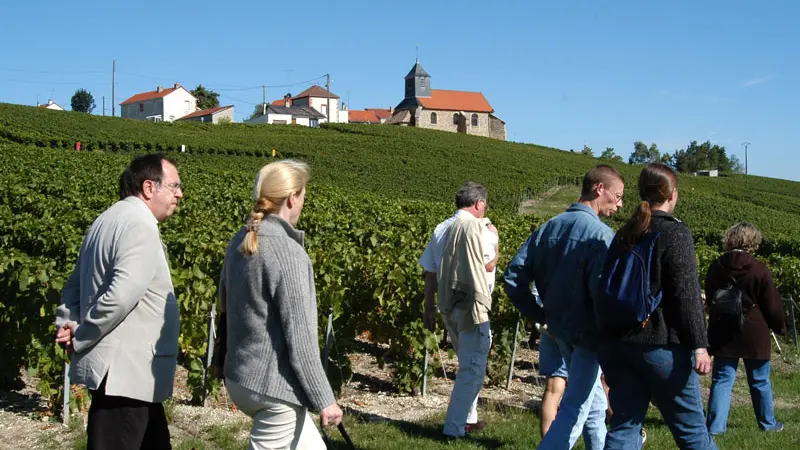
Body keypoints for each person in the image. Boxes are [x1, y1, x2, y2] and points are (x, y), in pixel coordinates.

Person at [55, 153, 183, 449]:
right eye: (174, 186)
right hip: (127, 376)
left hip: (127, 377)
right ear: (149, 188)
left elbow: (74, 284)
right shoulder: (139, 224)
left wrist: (66, 322)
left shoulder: (105, 220)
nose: (179, 194)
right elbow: (121, 296)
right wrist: (80, 335)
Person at [211, 160, 342, 449]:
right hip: (273, 390)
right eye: (304, 195)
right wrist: (325, 400)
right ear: (292, 198)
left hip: (240, 377)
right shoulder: (288, 253)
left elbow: (224, 307)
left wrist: (219, 362)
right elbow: (301, 339)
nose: (304, 202)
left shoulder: (241, 239)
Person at [505, 164, 625, 450]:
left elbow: (513, 277)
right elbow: (605, 294)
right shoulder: (601, 236)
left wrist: (538, 313)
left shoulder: (548, 228)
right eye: (618, 196)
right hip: (588, 335)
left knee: (594, 404)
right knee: (575, 408)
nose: (620, 204)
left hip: (557, 330)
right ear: (599, 189)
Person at [597, 163, 716, 450]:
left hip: (617, 343)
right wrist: (700, 345)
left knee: (624, 426)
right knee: (692, 433)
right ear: (673, 194)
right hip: (660, 346)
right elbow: (686, 295)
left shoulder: (624, 232)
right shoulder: (674, 233)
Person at [419, 181, 498, 438]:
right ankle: (454, 428)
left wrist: (429, 307)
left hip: (447, 304)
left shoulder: (441, 228)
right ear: (479, 203)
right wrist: (496, 243)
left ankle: (468, 418)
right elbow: (488, 265)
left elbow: (430, 271)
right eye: (485, 205)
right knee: (472, 369)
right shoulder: (479, 228)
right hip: (471, 306)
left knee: (467, 363)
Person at [705, 222, 786, 435]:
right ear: (753, 241)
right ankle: (767, 424)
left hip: (723, 329)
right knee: (759, 380)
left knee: (722, 380)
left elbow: (710, 297)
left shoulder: (716, 266)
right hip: (754, 331)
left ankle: (715, 427)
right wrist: (779, 327)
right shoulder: (759, 269)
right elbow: (772, 304)